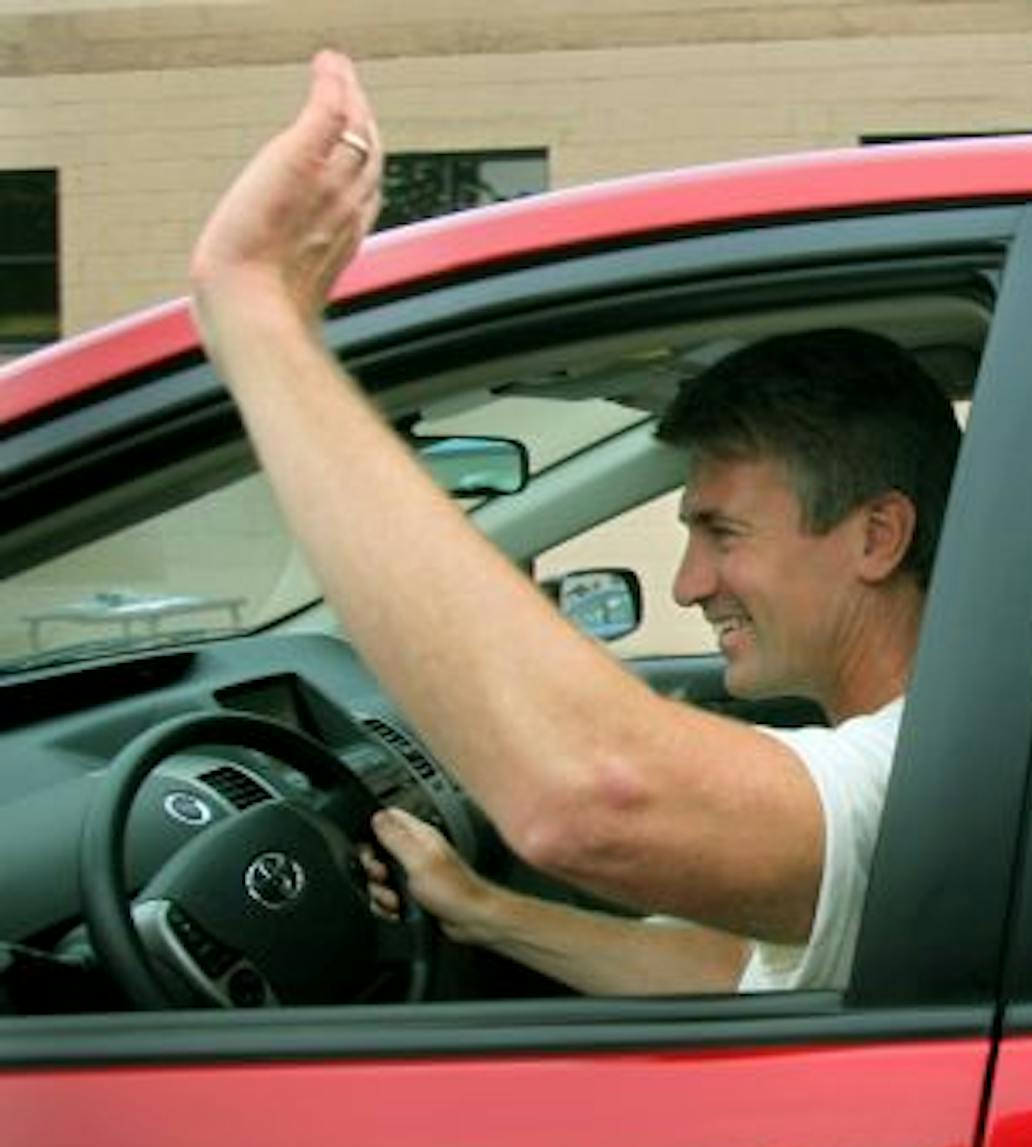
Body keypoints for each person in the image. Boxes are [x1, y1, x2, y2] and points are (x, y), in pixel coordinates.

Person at [188, 52, 958, 994]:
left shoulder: (926, 773)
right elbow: (738, 968)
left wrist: (257, 314)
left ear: (877, 537)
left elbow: (600, 794)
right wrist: (483, 909)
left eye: (724, 534)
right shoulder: (917, 757)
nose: (688, 584)